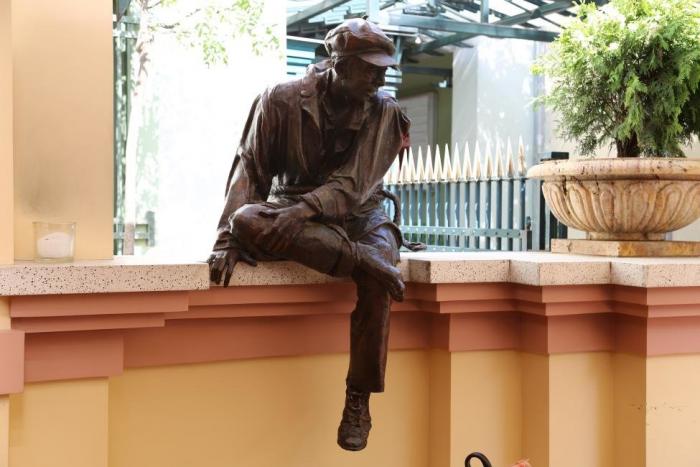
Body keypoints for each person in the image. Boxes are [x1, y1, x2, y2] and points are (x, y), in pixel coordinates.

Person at [207, 18, 412, 451]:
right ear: (339, 63)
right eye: (371, 69)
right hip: (291, 212)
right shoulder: (279, 99)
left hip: (361, 216)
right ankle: (363, 260)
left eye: (384, 70)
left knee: (378, 280)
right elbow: (250, 168)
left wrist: (305, 210)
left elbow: (354, 185)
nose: (380, 79)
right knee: (246, 219)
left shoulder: (385, 110)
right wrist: (228, 239)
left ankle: (358, 397)